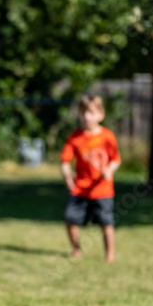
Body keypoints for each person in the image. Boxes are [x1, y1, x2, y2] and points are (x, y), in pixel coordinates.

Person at [60, 95, 120, 262]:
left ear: (101, 114)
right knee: (70, 219)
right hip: (80, 188)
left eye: (91, 113)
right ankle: (76, 250)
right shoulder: (75, 137)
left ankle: (110, 255)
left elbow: (116, 159)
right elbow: (65, 162)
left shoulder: (107, 136)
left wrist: (110, 170)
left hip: (102, 189)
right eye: (83, 112)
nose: (87, 117)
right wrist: (66, 175)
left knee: (106, 223)